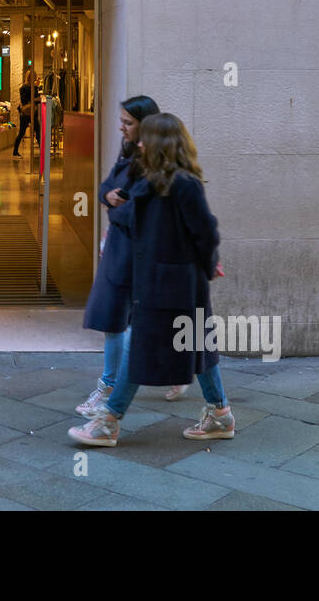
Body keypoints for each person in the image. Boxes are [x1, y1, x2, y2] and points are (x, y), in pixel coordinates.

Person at [69, 113, 234, 447]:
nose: (139, 143)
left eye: (145, 138)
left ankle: (108, 421)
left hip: (174, 285)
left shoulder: (184, 184)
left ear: (161, 143)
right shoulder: (151, 181)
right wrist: (111, 205)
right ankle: (220, 414)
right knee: (196, 346)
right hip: (159, 282)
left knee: (138, 347)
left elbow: (205, 232)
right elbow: (127, 216)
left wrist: (207, 266)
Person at [75, 95, 164, 418]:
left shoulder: (155, 162)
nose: (121, 127)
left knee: (121, 320)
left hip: (136, 250)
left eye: (128, 122)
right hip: (118, 247)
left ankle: (110, 390)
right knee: (119, 319)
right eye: (122, 121)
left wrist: (116, 207)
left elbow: (139, 211)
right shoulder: (128, 151)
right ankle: (113, 385)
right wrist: (108, 198)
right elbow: (106, 188)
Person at [12, 70, 36, 156]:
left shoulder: (34, 87)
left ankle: (15, 151)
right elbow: (24, 100)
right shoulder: (24, 88)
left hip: (32, 112)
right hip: (26, 113)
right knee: (22, 132)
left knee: (37, 130)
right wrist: (35, 100)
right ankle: (15, 151)